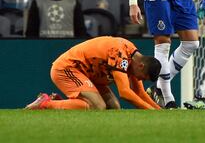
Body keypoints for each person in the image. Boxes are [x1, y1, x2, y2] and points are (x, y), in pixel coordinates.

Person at [25, 36, 162, 110]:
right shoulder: (121, 54)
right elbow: (125, 92)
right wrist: (149, 110)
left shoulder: (134, 60)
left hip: (88, 75)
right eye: (143, 78)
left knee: (113, 107)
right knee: (98, 106)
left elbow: (140, 93)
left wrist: (158, 112)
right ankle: (45, 104)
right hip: (68, 69)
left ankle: (64, 105)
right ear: (141, 66)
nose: (140, 80)